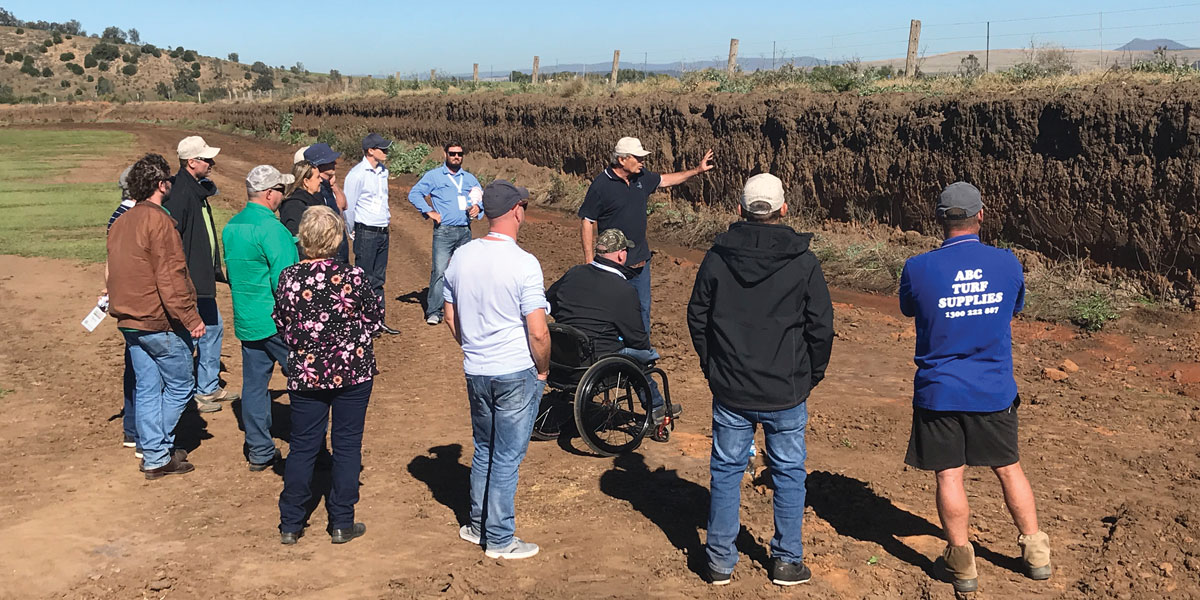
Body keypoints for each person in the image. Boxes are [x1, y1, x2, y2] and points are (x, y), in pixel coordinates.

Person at [898, 181, 1051, 593]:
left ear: (939, 220)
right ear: (980, 216)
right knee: (1008, 467)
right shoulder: (1007, 263)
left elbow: (910, 308)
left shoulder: (917, 267)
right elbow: (1014, 307)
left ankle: (962, 563)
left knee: (950, 475)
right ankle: (1036, 552)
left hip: (939, 390)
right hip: (993, 389)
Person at [686, 173, 834, 586]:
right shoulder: (803, 261)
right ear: (784, 208)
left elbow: (697, 316)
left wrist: (712, 365)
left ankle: (719, 561)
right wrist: (811, 375)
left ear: (740, 209)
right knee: (788, 473)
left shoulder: (717, 257)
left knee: (727, 470)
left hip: (731, 387)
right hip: (785, 389)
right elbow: (821, 326)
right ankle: (787, 561)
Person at [443, 179, 550, 560]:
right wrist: (542, 371)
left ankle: (476, 525)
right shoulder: (524, 263)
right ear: (517, 211)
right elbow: (538, 332)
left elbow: (449, 315)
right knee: (507, 456)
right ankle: (501, 538)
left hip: (477, 368)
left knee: (485, 449)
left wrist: (472, 347)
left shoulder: (462, 257)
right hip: (515, 371)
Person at [275, 206, 381, 545]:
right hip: (353, 369)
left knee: (304, 445)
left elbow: (281, 322)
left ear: (304, 239)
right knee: (347, 445)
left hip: (306, 371)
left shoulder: (289, 278)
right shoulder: (354, 277)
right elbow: (375, 319)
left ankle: (291, 523)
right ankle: (341, 522)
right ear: (336, 240)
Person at [107, 153, 205, 479]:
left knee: (148, 388)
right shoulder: (160, 222)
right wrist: (192, 319)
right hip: (156, 321)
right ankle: (156, 448)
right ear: (162, 185)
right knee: (181, 386)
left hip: (129, 320)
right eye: (169, 181)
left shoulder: (120, 221)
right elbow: (172, 277)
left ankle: (155, 455)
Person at [578, 137, 714, 334]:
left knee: (642, 309)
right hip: (612, 263)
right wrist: (590, 262)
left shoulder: (641, 177)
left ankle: (642, 353)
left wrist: (697, 170)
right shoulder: (601, 185)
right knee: (612, 310)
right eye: (638, 157)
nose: (643, 161)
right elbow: (587, 221)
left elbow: (665, 180)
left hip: (641, 261)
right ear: (622, 160)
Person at [546, 228, 680, 425]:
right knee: (643, 357)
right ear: (620, 254)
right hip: (597, 362)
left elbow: (549, 301)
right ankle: (658, 409)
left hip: (562, 360)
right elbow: (637, 339)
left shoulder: (574, 273)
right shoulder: (624, 290)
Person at [222, 165, 300, 471]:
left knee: (254, 386)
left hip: (248, 319)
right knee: (304, 383)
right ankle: (310, 447)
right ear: (269, 194)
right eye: (281, 190)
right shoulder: (272, 229)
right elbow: (286, 282)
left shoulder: (231, 226)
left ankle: (259, 450)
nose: (283, 195)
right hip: (278, 322)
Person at [164, 135, 238, 413]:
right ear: (191, 162)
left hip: (203, 277)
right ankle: (190, 392)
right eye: (206, 159)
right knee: (194, 335)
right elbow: (172, 242)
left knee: (214, 328)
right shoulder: (181, 193)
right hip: (190, 280)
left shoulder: (194, 189)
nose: (212, 163)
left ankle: (207, 387)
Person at [407, 142, 483, 325]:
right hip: (444, 231)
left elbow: (480, 196)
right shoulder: (434, 176)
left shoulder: (470, 178)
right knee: (440, 271)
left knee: (465, 271)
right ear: (445, 154)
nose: (456, 157)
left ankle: (463, 310)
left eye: (460, 153)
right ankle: (434, 310)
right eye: (452, 153)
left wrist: (477, 208)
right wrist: (429, 211)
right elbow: (415, 194)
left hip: (465, 230)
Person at [343, 133, 399, 335]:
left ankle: (377, 321)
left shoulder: (383, 172)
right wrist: (352, 230)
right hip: (365, 231)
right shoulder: (357, 174)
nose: (386, 152)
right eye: (382, 149)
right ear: (370, 151)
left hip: (382, 230)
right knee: (364, 278)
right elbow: (348, 207)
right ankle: (363, 323)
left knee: (378, 278)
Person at [107, 164, 138, 454]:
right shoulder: (129, 217)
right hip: (136, 303)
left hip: (125, 300)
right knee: (140, 368)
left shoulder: (117, 215)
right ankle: (138, 431)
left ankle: (133, 429)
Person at [302, 143, 351, 264]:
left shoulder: (328, 186)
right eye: (330, 161)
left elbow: (343, 207)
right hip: (328, 255)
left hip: (339, 250)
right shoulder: (317, 190)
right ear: (319, 165)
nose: (335, 164)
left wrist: (333, 185)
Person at [279, 160, 324, 258]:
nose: (321, 180)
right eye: (317, 177)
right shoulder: (294, 206)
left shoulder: (313, 201)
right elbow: (297, 239)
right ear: (306, 182)